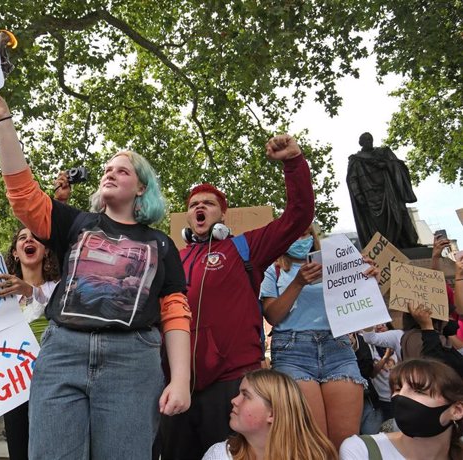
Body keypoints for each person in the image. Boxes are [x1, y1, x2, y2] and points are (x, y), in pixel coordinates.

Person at [0, 81, 192, 459]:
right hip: (63, 352)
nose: (110, 173)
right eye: (107, 169)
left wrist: (180, 380)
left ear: (142, 188)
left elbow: (175, 314)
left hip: (132, 360)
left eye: (122, 171)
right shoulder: (74, 224)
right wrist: (3, 122)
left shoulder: (161, 245)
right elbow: (24, 195)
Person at [160, 136, 315, 459]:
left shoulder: (246, 247)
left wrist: (293, 163)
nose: (199, 207)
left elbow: (298, 215)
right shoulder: (173, 258)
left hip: (231, 383)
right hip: (178, 383)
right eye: (193, 205)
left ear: (222, 216)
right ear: (188, 219)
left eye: (208, 203)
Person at [260, 227, 378, 448]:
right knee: (314, 444)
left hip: (338, 349)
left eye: (304, 233)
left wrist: (368, 283)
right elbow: (273, 316)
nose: (299, 239)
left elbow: (365, 321)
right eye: (294, 233)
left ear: (313, 236)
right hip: (293, 353)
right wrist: (297, 283)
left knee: (345, 445)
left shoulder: (336, 265)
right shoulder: (272, 270)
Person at [0, 226, 60, 460]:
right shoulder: (1, 297)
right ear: (15, 253)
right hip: (14, 391)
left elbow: (63, 313)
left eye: (35, 237)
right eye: (22, 238)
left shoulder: (59, 288)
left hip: (54, 388)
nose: (29, 240)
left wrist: (30, 291)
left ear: (47, 251)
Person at [340, 359, 463, 459]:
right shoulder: (361, 450)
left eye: (419, 391)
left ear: (457, 410)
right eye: (397, 389)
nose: (400, 396)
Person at [202, 368, 337, 460]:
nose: (234, 400)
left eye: (246, 395)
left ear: (272, 413)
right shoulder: (220, 454)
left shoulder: (317, 456)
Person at [346, 132, 419, 249]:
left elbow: (399, 166)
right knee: (380, 227)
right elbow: (352, 179)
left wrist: (385, 164)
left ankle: (410, 242)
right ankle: (388, 249)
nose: (369, 142)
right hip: (372, 198)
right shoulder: (356, 160)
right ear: (361, 143)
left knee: (402, 214)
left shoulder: (383, 153)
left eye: (370, 139)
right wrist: (358, 195)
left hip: (390, 192)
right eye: (366, 140)